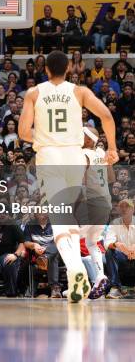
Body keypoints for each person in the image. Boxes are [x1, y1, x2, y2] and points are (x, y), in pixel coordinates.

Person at [18, 51, 118, 303]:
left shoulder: (34, 93)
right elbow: (106, 116)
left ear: (47, 70)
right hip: (74, 156)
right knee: (68, 216)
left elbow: (22, 132)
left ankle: (75, 269)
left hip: (50, 157)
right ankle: (77, 269)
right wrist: (113, 148)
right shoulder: (80, 91)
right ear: (70, 68)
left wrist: (43, 136)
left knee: (60, 216)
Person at [80, 126, 115, 299]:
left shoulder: (83, 154)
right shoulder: (101, 153)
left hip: (92, 203)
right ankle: (100, 276)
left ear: (88, 140)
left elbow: (82, 182)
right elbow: (111, 178)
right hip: (105, 203)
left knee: (69, 238)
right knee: (91, 242)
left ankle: (80, 283)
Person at [105, 199, 135, 298]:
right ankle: (115, 288)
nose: (124, 209)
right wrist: (117, 244)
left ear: (132, 209)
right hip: (123, 258)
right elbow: (107, 242)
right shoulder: (114, 223)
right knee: (110, 251)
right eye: (121, 206)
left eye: (127, 206)